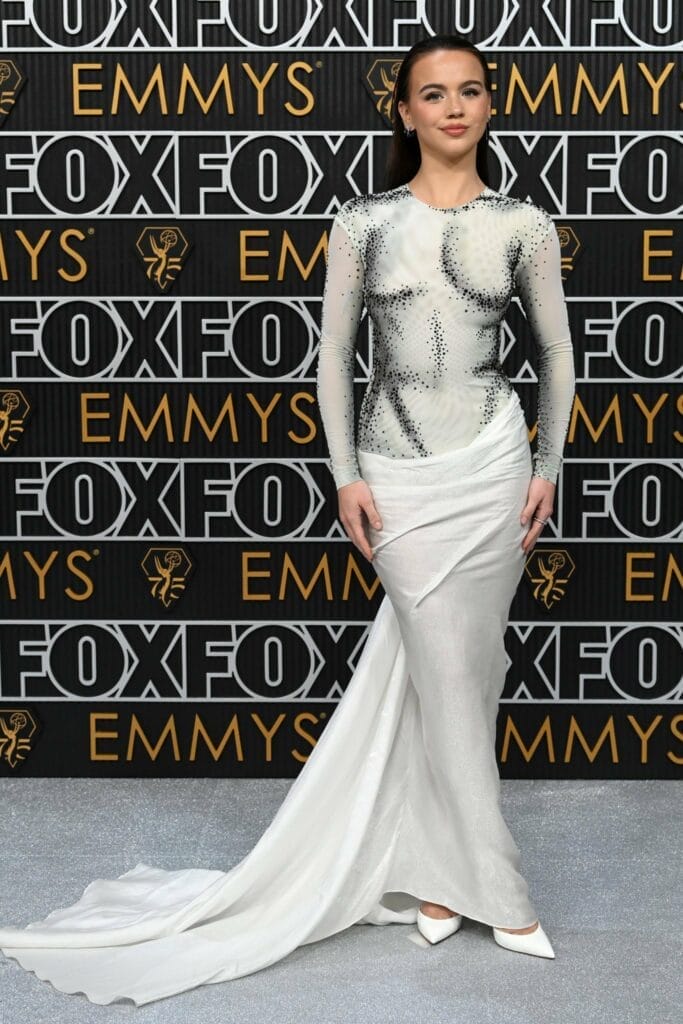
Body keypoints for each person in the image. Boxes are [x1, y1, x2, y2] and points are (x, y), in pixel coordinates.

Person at [0, 35, 574, 1006]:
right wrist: (343, 475)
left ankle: (440, 879)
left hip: (490, 466)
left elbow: (556, 354)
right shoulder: (361, 223)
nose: (452, 107)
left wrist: (548, 464)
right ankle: (500, 888)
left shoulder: (523, 223)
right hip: (395, 473)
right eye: (432, 93)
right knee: (441, 670)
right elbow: (331, 356)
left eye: (469, 90)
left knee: (466, 675)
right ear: (404, 112)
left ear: (488, 105)